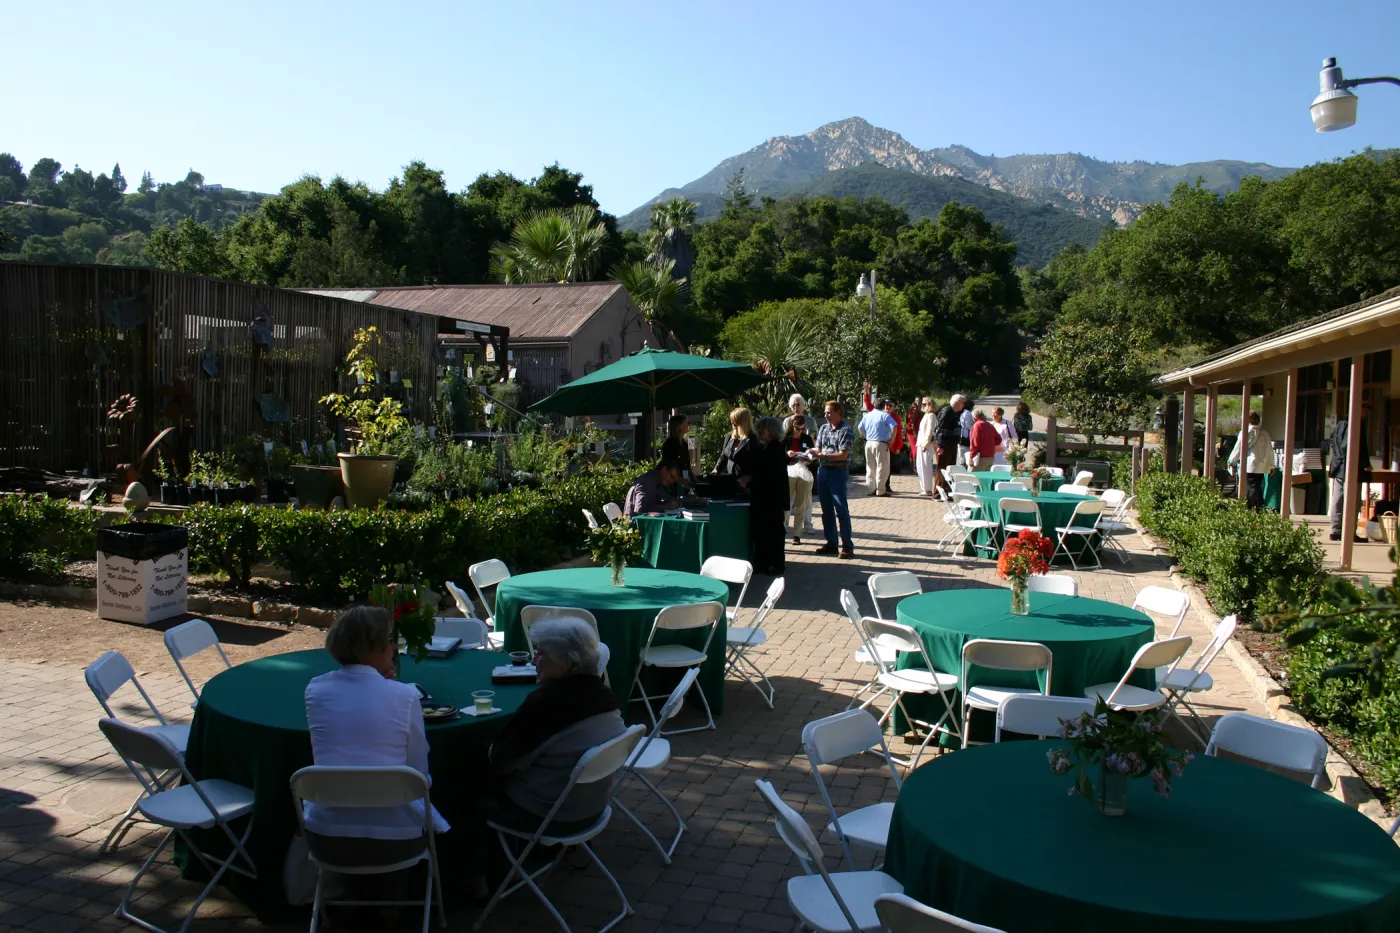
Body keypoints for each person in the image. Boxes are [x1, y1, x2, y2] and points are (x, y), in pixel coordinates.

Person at [304, 606, 450, 866]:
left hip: (326, 836)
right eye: (388, 642)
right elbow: (418, 771)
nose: (393, 648)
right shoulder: (405, 696)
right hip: (398, 838)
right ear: (372, 649)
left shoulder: (315, 689)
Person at [489, 616, 626, 826]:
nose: (534, 661)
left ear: (569, 662)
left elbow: (501, 763)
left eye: (542, 654)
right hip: (593, 804)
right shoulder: (604, 694)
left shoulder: (547, 706)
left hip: (549, 812)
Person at [812, 400, 855, 559]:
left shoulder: (846, 431)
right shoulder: (823, 428)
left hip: (837, 472)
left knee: (841, 508)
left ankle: (847, 546)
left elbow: (843, 454)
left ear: (839, 413)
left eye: (829, 412)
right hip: (823, 471)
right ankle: (831, 543)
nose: (826, 415)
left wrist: (822, 455)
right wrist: (810, 453)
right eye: (825, 412)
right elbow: (819, 448)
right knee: (826, 510)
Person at [749, 417, 791, 574]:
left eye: (763, 430)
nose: (760, 433)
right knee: (763, 532)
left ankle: (777, 564)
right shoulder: (765, 447)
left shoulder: (775, 448)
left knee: (774, 532)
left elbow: (770, 474)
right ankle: (764, 562)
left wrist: (753, 478)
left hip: (772, 498)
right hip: (764, 497)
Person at [1330, 400, 1371, 542]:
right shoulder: (1355, 425)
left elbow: (1334, 443)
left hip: (1339, 466)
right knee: (1352, 500)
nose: (1367, 412)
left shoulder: (1341, 424)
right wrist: (1364, 463)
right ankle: (1349, 531)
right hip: (1351, 467)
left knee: (1338, 498)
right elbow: (1352, 446)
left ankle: (1336, 530)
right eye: (1365, 407)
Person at [782, 395, 818, 533]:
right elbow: (782, 444)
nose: (796, 408)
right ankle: (785, 525)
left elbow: (814, 441)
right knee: (788, 498)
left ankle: (807, 525)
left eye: (798, 405)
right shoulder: (786, 423)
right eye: (793, 406)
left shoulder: (810, 421)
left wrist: (810, 455)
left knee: (806, 499)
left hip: (804, 466)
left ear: (803, 405)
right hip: (790, 467)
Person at [1227, 410, 1275, 510]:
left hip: (1249, 464)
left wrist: (1231, 461)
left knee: (1252, 486)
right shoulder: (1265, 433)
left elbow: (1238, 448)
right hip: (1262, 464)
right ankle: (1258, 507)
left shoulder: (1245, 432)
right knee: (1257, 486)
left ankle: (1254, 507)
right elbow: (1270, 450)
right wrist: (1271, 465)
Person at [857, 385, 897, 497]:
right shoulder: (885, 416)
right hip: (881, 443)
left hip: (869, 442)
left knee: (870, 467)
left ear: (874, 405)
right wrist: (891, 441)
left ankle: (871, 488)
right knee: (882, 467)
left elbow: (860, 427)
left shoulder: (868, 415)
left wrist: (865, 437)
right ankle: (881, 490)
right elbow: (894, 427)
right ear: (883, 405)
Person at [784, 416, 816, 542]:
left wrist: (809, 460)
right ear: (792, 426)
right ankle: (784, 528)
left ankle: (797, 534)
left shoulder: (807, 438)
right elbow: (777, 455)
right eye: (797, 428)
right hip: (789, 471)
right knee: (786, 501)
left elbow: (813, 455)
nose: (799, 431)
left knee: (801, 503)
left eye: (802, 429)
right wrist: (787, 454)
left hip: (803, 471)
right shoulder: (785, 439)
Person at [713, 407, 757, 486]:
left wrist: (750, 477)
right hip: (730, 482)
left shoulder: (754, 440)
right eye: (731, 420)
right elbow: (723, 456)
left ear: (743, 422)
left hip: (747, 485)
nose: (731, 422)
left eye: (735, 420)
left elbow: (760, 465)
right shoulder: (730, 436)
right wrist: (716, 469)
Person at [931, 395, 965, 493]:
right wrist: (940, 445)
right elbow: (940, 429)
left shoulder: (954, 412)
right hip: (944, 445)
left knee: (949, 468)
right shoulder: (947, 411)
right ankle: (938, 493)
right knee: (942, 468)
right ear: (957, 402)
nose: (963, 405)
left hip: (951, 444)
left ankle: (947, 490)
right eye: (962, 402)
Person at [660, 414, 693, 491]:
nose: (688, 424)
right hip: (672, 482)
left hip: (685, 480)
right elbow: (669, 466)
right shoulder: (669, 444)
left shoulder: (684, 443)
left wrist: (694, 480)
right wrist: (681, 480)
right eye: (686, 422)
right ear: (679, 426)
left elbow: (687, 465)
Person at [914, 398, 937, 497]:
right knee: (920, 466)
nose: (922, 406)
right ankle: (923, 487)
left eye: (924, 404)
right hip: (920, 443)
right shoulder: (926, 415)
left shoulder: (931, 416)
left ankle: (927, 489)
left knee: (926, 466)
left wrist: (926, 444)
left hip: (926, 445)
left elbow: (930, 431)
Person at [958, 398, 976, 467]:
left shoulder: (962, 412)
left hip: (962, 435)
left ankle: (962, 466)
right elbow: (968, 425)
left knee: (961, 454)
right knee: (966, 454)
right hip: (966, 436)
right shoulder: (968, 413)